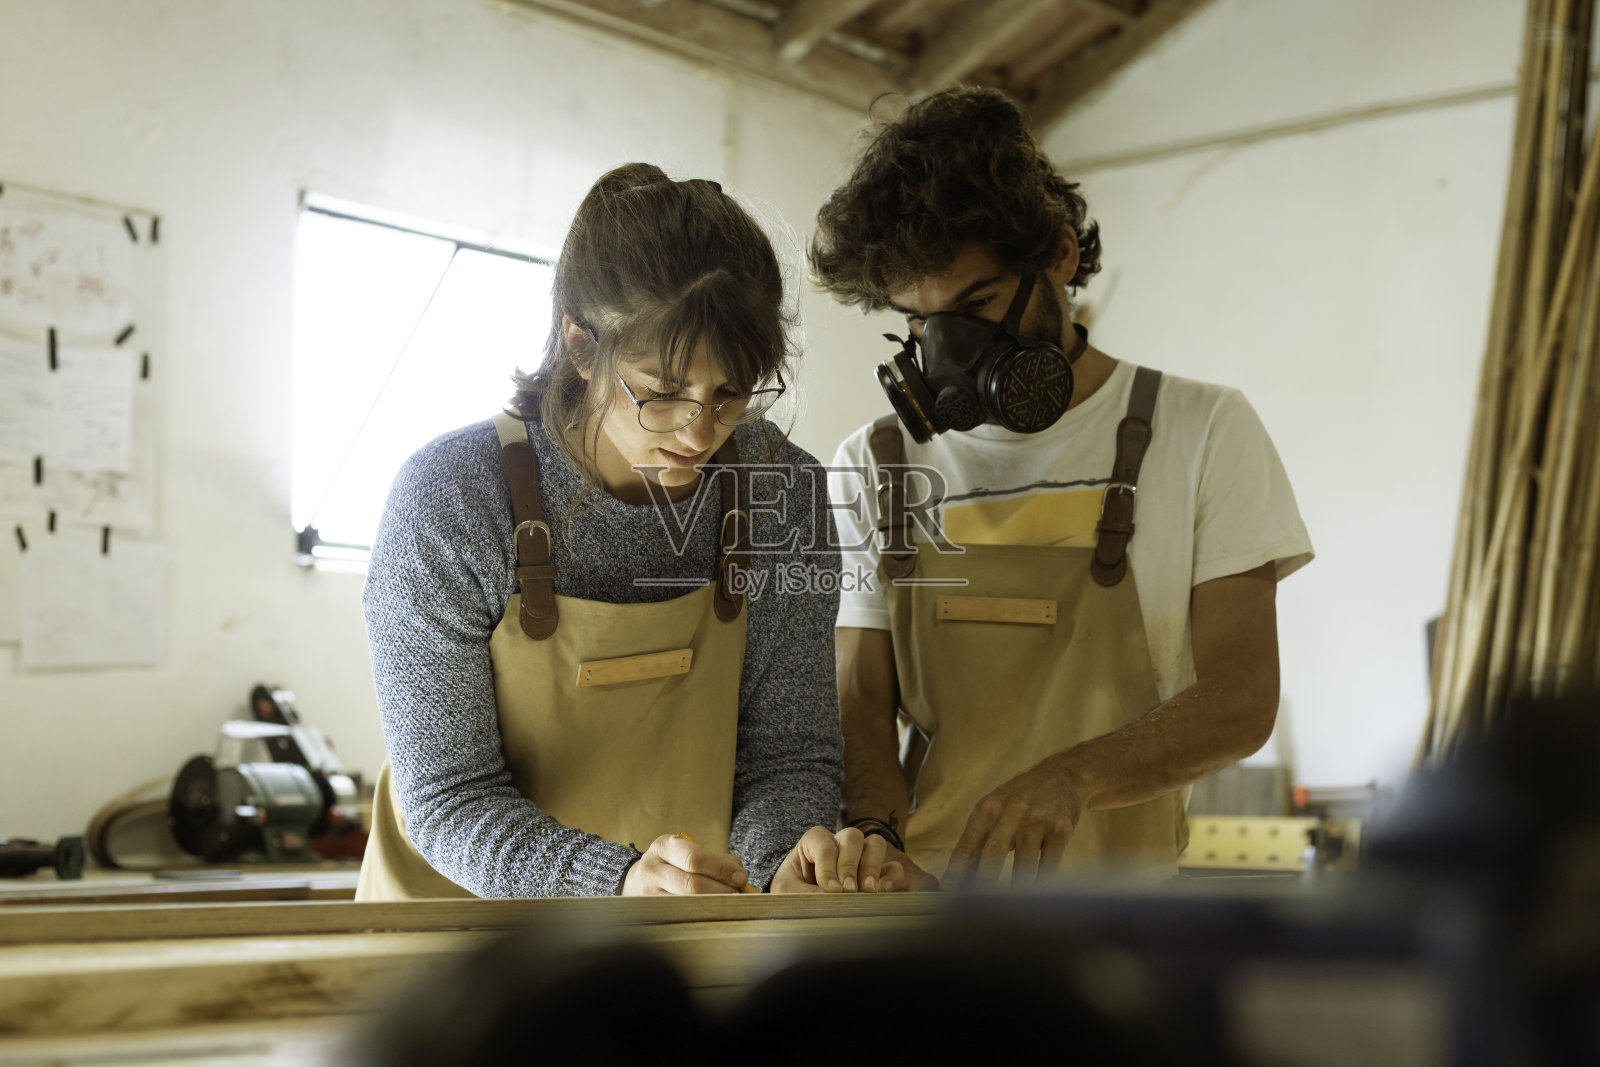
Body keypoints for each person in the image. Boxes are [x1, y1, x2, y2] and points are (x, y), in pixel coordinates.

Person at [812, 88, 1314, 888]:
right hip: (926, 903)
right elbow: (860, 702)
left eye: (977, 305)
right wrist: (872, 838)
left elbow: (1243, 695)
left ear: (1060, 255)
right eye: (920, 325)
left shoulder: (1201, 430)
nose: (950, 355)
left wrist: (1072, 779)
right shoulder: (876, 461)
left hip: (1122, 911)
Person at [357, 164, 890, 899]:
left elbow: (787, 756)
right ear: (581, 346)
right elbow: (449, 797)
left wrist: (780, 870)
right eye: (663, 393)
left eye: (731, 392)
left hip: (676, 916)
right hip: (455, 925)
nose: (699, 432)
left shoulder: (782, 493)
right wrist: (615, 880)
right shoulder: (451, 498)